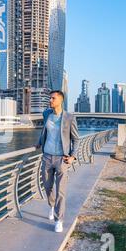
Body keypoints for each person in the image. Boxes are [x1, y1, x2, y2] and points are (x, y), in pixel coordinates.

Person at [35, 91, 80, 233]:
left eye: (53, 98)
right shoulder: (46, 114)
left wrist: (73, 156)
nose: (50, 100)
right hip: (47, 157)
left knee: (61, 191)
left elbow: (76, 139)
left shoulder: (69, 117)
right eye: (50, 98)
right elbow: (45, 132)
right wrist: (38, 143)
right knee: (47, 187)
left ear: (60, 100)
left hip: (62, 159)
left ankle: (59, 220)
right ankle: (52, 205)